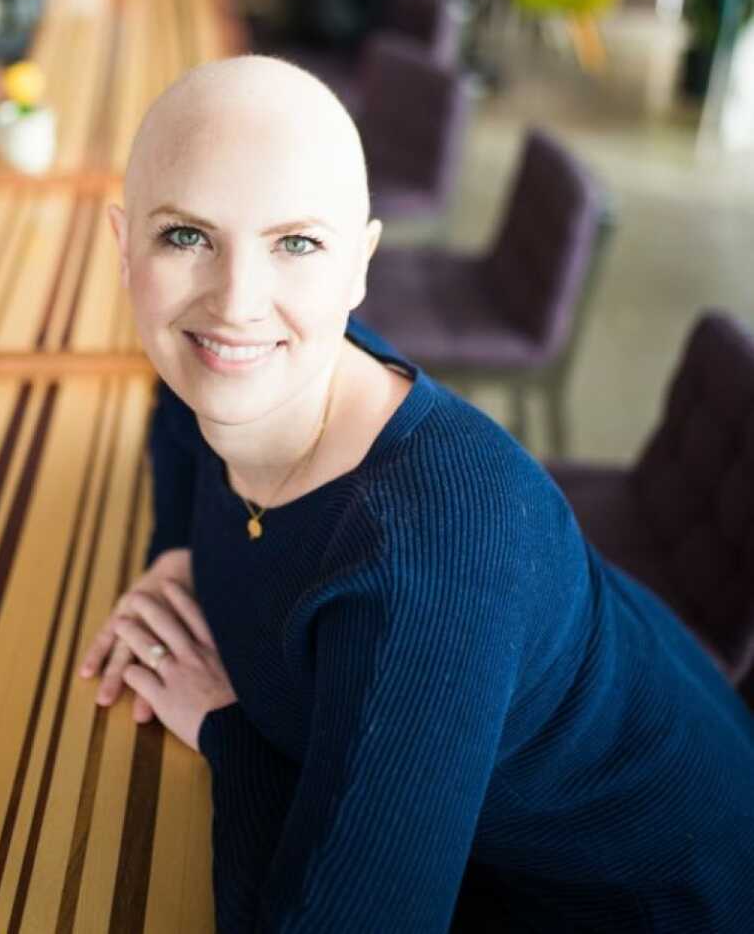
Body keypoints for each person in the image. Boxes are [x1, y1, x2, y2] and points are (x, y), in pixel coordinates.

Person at [79, 55, 754, 932]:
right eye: (186, 237)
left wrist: (228, 730)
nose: (237, 302)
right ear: (122, 248)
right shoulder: (281, 355)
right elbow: (179, 415)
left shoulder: (424, 562)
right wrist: (178, 553)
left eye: (296, 243)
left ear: (357, 265)